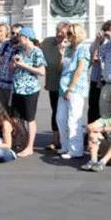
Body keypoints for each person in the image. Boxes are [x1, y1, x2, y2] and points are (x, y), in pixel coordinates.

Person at [9, 26, 45, 155]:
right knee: (15, 118)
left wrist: (23, 65)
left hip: (30, 89)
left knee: (30, 118)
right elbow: (12, 69)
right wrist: (13, 63)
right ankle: (23, 140)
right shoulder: (19, 50)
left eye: (20, 36)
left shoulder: (37, 52)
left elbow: (42, 71)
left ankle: (30, 147)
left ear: (26, 37)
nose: (18, 38)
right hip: (17, 88)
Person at [57, 23, 91, 160]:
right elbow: (61, 68)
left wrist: (71, 88)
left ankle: (76, 150)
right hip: (63, 87)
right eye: (68, 33)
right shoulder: (69, 49)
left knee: (74, 119)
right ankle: (65, 145)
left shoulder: (83, 49)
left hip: (75, 89)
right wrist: (61, 54)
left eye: (70, 33)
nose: (68, 36)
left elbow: (79, 70)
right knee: (61, 118)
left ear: (78, 34)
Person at [41, 22, 68, 152]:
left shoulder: (71, 45)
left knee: (68, 113)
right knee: (56, 112)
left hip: (68, 86)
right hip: (53, 84)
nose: (59, 34)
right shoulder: (47, 42)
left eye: (62, 32)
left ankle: (67, 140)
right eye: (58, 31)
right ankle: (56, 140)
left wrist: (63, 52)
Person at [0, 23, 18, 107]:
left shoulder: (12, 44)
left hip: (8, 80)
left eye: (1, 31)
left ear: (7, 32)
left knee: (9, 106)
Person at [86, 21, 111, 123]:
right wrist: (97, 41)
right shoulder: (97, 42)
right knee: (93, 106)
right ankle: (92, 128)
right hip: (95, 79)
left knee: (106, 107)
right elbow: (91, 55)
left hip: (107, 79)